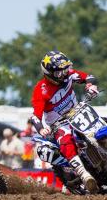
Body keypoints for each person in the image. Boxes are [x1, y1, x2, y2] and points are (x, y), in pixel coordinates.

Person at [29, 50, 100, 192]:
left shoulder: (69, 74)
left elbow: (89, 77)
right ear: (49, 74)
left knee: (104, 122)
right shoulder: (41, 90)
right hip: (59, 123)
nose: (63, 74)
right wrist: (41, 128)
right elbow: (35, 116)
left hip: (78, 112)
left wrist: (90, 85)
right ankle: (84, 174)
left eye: (65, 70)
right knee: (65, 139)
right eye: (59, 72)